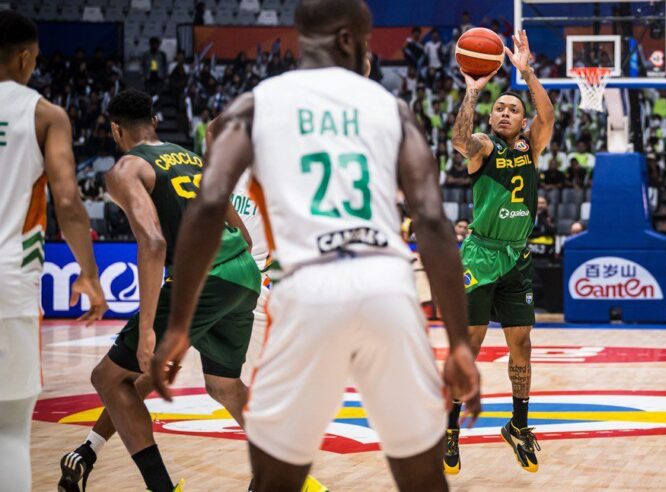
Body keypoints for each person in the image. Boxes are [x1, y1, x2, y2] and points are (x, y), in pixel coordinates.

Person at [150, 1, 481, 491]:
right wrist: (457, 342)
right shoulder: (393, 111)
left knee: (275, 481)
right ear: (349, 41)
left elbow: (207, 204)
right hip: (386, 290)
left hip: (305, 290)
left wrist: (178, 324)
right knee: (423, 480)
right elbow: (432, 221)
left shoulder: (255, 104)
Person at [57, 89, 261, 492]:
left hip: (201, 279)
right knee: (224, 386)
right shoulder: (192, 158)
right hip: (244, 273)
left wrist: (147, 327)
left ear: (116, 130)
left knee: (109, 378)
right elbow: (239, 229)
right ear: (154, 121)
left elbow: (152, 243)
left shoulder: (126, 169)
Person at [0, 11, 107, 491]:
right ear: (25, 56)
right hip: (9, 280)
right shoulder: (44, 114)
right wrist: (88, 272)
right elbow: (67, 199)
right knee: (8, 430)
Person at [448, 29, 554, 474]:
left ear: (523, 120)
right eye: (501, 109)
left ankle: (517, 424)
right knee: (468, 348)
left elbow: (547, 115)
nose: (507, 112)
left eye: (514, 109)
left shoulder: (531, 149)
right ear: (492, 121)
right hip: (479, 256)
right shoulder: (483, 148)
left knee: (522, 346)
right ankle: (449, 431)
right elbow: (458, 140)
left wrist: (526, 72)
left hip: (518, 257)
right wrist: (473, 93)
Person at [527, 196, 556, 261]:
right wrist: (542, 233)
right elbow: (526, 234)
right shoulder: (526, 218)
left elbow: (552, 231)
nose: (540, 205)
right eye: (538, 203)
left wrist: (541, 216)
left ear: (547, 205)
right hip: (529, 253)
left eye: (543, 203)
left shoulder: (550, 219)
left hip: (546, 252)